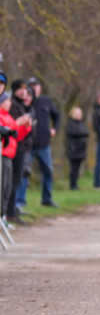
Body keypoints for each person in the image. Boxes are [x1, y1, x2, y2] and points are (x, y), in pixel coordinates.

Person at [21, 77, 60, 207]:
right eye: (30, 85)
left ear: (39, 87)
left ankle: (46, 199)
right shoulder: (24, 102)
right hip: (28, 145)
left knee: (48, 172)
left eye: (35, 85)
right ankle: (20, 201)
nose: (33, 88)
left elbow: (57, 115)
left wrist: (54, 128)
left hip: (44, 144)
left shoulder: (46, 101)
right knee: (24, 172)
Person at [0, 73, 31, 224]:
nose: (9, 103)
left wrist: (26, 127)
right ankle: (6, 214)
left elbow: (16, 134)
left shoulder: (9, 114)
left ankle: (7, 214)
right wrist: (17, 123)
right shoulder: (4, 114)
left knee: (10, 184)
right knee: (5, 185)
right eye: (6, 101)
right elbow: (7, 130)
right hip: (5, 153)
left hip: (11, 152)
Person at [8, 80, 33, 223]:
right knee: (13, 180)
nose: (24, 92)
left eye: (25, 89)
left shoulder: (22, 105)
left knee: (17, 179)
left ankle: (13, 209)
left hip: (22, 146)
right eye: (20, 89)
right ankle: (10, 211)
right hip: (15, 147)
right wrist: (22, 124)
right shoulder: (13, 105)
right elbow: (13, 129)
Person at [65, 107, 90, 190]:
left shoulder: (81, 123)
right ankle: (72, 185)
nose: (79, 116)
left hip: (81, 149)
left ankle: (75, 184)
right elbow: (76, 132)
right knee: (74, 168)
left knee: (78, 168)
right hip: (74, 149)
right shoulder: (70, 124)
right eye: (77, 114)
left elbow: (86, 132)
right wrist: (82, 133)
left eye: (80, 114)